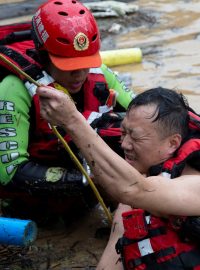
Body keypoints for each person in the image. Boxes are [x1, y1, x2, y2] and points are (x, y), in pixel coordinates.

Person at [0, 0, 134, 224]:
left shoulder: (99, 73)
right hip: (30, 213)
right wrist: (87, 180)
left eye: (86, 61)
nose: (80, 73)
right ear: (44, 55)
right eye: (68, 65)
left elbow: (149, 119)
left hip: (87, 196)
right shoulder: (12, 90)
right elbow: (9, 172)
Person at [36, 85, 200, 269]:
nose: (125, 144)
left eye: (136, 138)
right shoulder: (130, 201)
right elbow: (110, 262)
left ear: (173, 143)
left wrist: (72, 120)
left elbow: (132, 189)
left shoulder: (195, 184)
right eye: (123, 133)